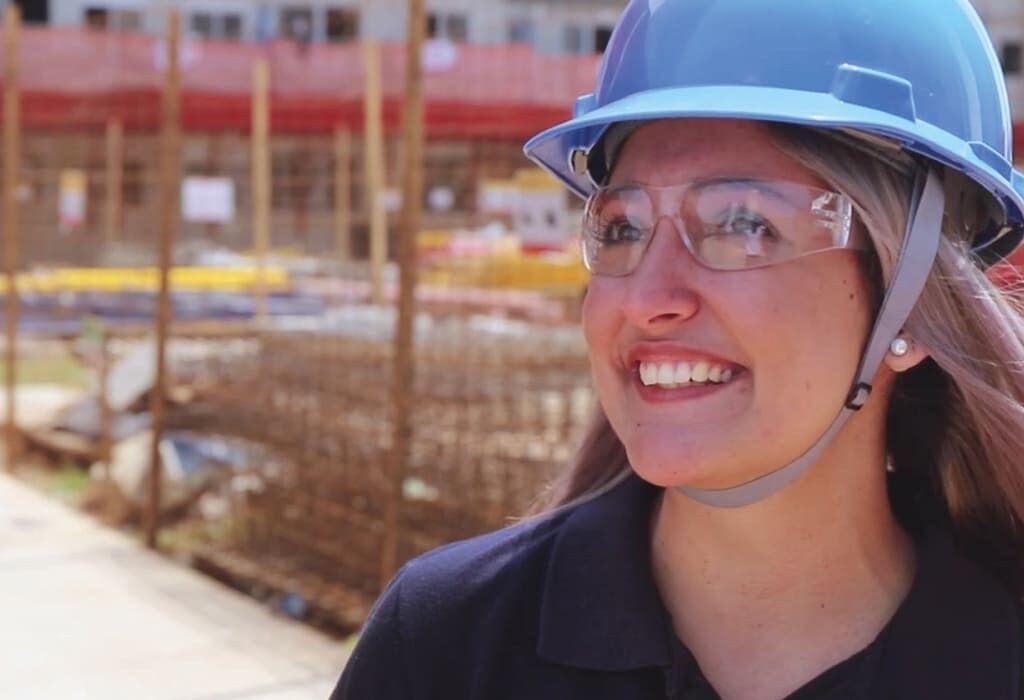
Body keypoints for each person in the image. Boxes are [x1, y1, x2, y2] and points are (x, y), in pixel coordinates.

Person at [331, 1, 1024, 697]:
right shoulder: (447, 645)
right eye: (624, 228)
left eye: (744, 223)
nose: (644, 297)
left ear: (913, 297)